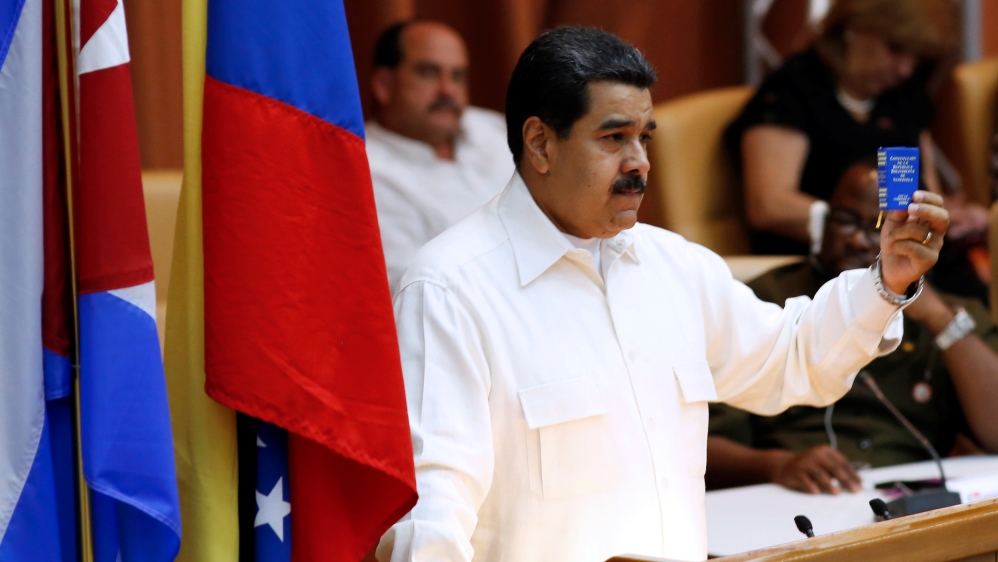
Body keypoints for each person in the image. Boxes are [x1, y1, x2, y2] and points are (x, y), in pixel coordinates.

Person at [377, 27, 947, 562]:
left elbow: (791, 359)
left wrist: (887, 280)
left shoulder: (672, 265)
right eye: (613, 138)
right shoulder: (450, 288)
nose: (640, 163)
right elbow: (431, 504)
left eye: (644, 137)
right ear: (540, 143)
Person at [706, 160, 998, 495]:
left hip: (908, 500)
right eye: (845, 221)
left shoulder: (947, 313)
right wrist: (776, 465)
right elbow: (696, 443)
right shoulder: (762, 300)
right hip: (790, 497)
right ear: (823, 223)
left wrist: (937, 317)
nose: (858, 240)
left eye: (879, 226)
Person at [726, 0, 987, 256]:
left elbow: (916, 192)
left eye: (915, 56)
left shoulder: (905, 97)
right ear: (854, 28)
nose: (905, 69)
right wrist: (869, 228)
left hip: (899, 256)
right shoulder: (791, 93)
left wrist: (947, 217)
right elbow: (769, 207)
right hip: (826, 264)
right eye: (895, 49)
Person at [366, 21, 514, 291]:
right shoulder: (368, 172)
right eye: (428, 73)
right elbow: (413, 290)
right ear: (383, 85)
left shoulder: (494, 130)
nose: (448, 90)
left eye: (458, 76)